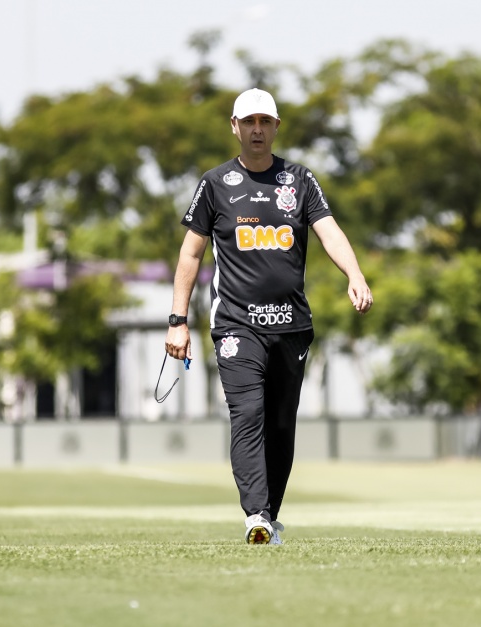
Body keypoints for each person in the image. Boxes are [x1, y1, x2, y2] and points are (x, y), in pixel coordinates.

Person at [165, 88, 372, 545]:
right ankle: (255, 515)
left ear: (276, 127)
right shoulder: (215, 183)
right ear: (234, 127)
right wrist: (177, 319)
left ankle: (269, 516)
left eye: (265, 121)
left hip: (292, 327)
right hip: (237, 326)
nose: (257, 129)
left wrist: (355, 274)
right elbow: (190, 253)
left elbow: (329, 231)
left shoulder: (299, 180)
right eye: (248, 121)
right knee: (248, 414)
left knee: (281, 425)